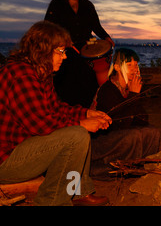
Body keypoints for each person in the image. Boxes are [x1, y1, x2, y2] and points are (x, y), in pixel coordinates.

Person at [0, 21, 111, 206]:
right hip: (6, 161)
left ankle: (78, 192)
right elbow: (41, 124)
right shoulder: (20, 74)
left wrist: (86, 114)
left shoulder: (41, 73)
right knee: (77, 135)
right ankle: (51, 201)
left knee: (79, 131)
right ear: (42, 50)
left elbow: (56, 109)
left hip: (22, 147)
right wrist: (82, 124)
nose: (64, 57)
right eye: (60, 51)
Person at [45, 0, 115, 108]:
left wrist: (107, 37)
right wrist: (62, 40)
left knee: (89, 78)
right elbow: (48, 26)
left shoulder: (88, 6)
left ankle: (86, 107)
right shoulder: (57, 4)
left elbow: (96, 26)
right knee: (67, 79)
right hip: (64, 47)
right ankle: (68, 107)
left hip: (85, 47)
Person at [89, 48, 160, 178]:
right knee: (133, 134)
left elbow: (142, 119)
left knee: (152, 131)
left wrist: (135, 95)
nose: (134, 69)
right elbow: (118, 124)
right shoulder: (107, 90)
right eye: (129, 65)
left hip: (119, 133)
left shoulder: (129, 88)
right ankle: (123, 169)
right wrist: (133, 96)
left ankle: (146, 168)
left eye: (136, 65)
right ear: (117, 67)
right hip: (99, 141)